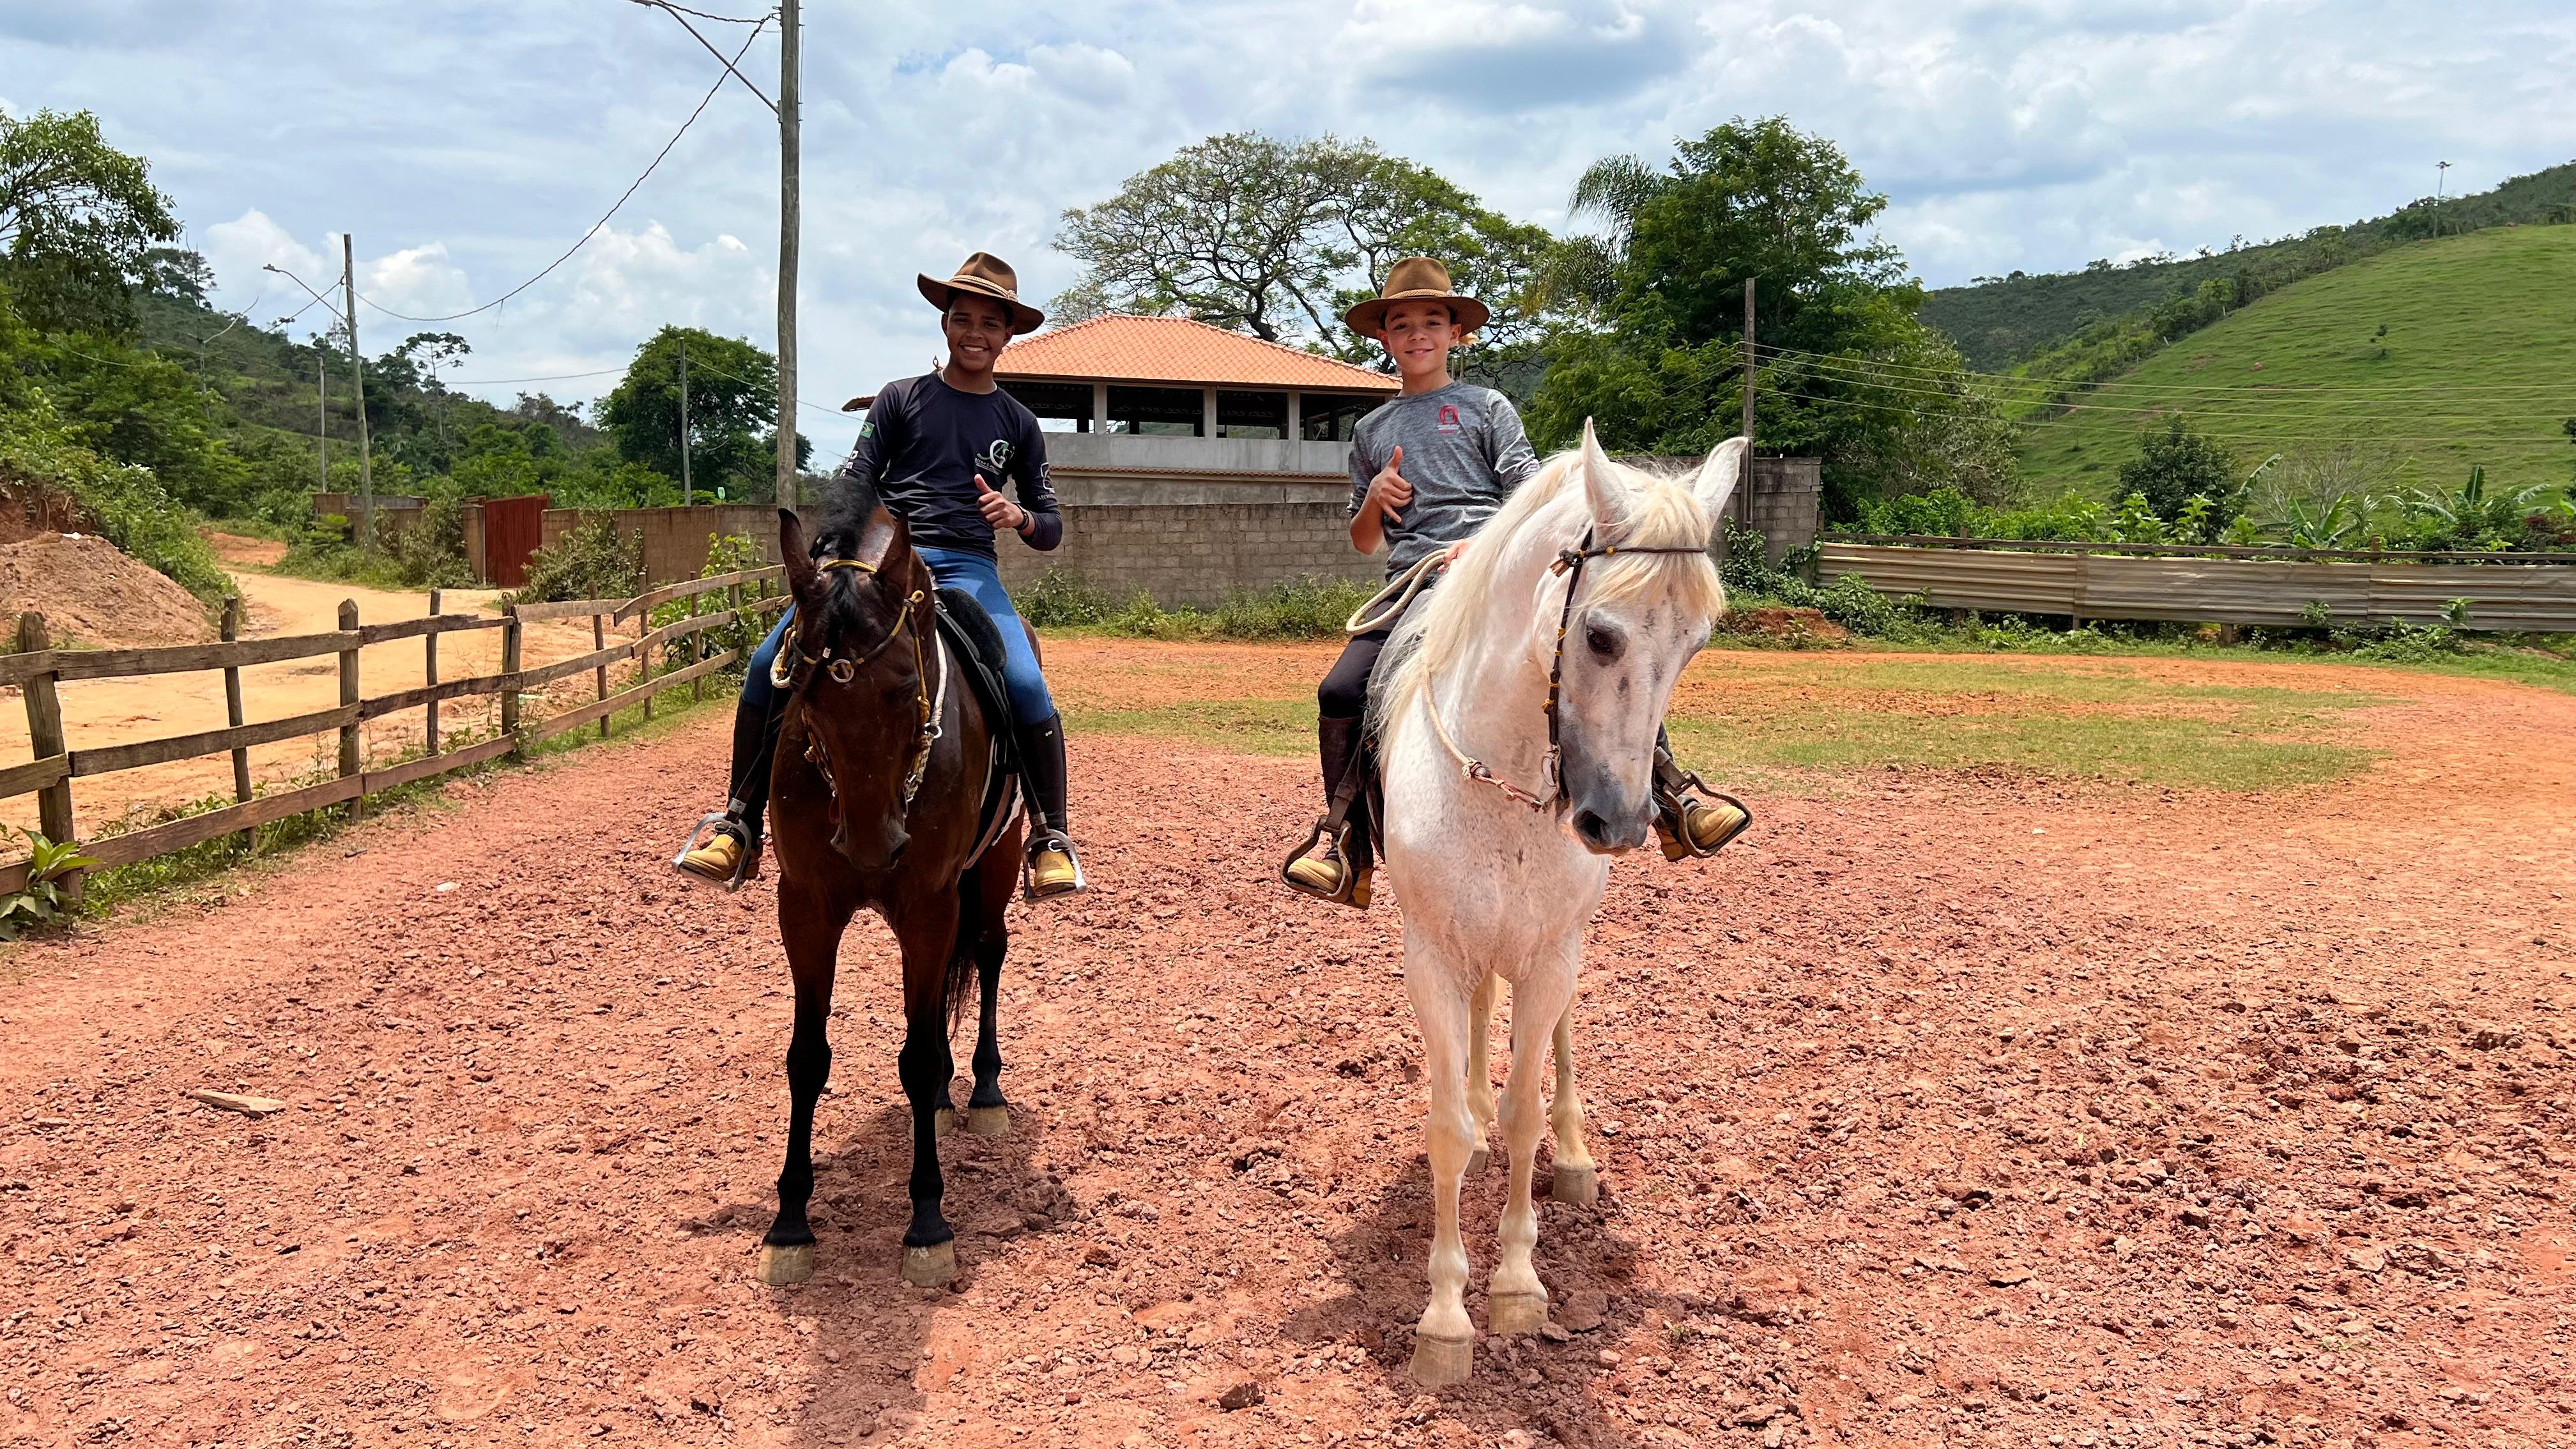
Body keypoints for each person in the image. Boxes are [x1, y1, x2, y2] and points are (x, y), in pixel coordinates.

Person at [1280, 257, 1750, 907]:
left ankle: (1672, 792)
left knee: (1594, 649)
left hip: (1494, 570)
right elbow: (1365, 540)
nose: (1418, 335)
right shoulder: (1370, 431)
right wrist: (1374, 500)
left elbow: (1529, 496)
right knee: (1342, 688)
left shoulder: (1486, 407)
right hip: (1413, 585)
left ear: (1455, 335)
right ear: (1383, 339)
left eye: (1432, 323)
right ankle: (1346, 843)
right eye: (1403, 325)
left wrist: (1482, 544)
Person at [677, 252, 1084, 899]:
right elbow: (858, 476)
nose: (974, 333)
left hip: (966, 567)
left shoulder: (1019, 423)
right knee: (766, 664)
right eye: (962, 319)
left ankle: (1050, 837)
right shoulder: (901, 399)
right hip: (877, 557)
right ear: (944, 325)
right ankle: (738, 823)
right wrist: (834, 556)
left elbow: (1053, 524)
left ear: (1009, 335)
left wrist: (1019, 516)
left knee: (1025, 682)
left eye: (989, 323)